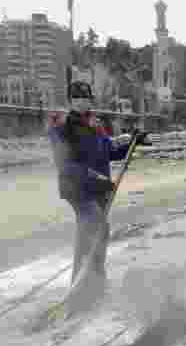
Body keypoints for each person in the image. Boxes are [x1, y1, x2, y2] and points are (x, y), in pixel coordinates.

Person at [49, 88, 144, 306]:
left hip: (99, 188)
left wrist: (133, 142)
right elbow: (65, 163)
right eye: (76, 98)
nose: (81, 102)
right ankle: (83, 289)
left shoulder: (96, 124)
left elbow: (109, 151)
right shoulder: (62, 127)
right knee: (94, 226)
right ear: (70, 100)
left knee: (95, 234)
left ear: (91, 100)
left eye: (85, 98)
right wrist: (92, 176)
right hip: (78, 189)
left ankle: (94, 284)